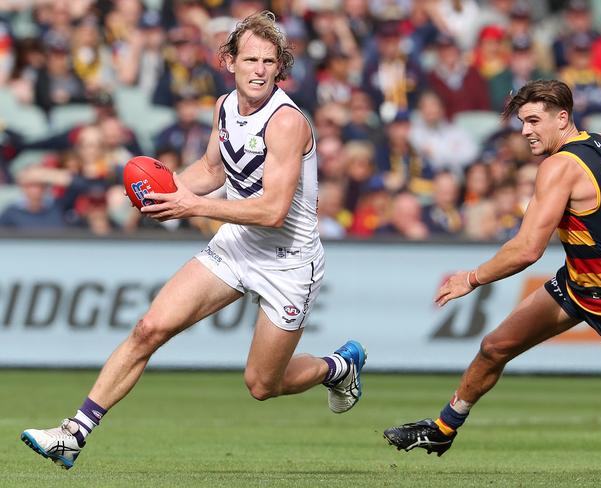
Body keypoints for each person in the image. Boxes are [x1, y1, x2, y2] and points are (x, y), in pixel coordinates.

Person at [20, 11, 367, 470]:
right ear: (229, 62)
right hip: (238, 243)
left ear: (280, 66)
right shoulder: (224, 106)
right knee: (149, 329)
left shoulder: (286, 122)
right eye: (250, 60)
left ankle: (338, 368)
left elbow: (271, 210)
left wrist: (190, 207)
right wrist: (165, 196)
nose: (260, 70)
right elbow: (212, 169)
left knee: (263, 384)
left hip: (288, 260)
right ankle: (73, 434)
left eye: (269, 61)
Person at [384, 79, 601, 456]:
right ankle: (443, 427)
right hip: (577, 285)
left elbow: (527, 249)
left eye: (533, 121)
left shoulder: (559, 167)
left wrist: (471, 278)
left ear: (562, 118)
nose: (526, 131)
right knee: (495, 347)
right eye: (523, 122)